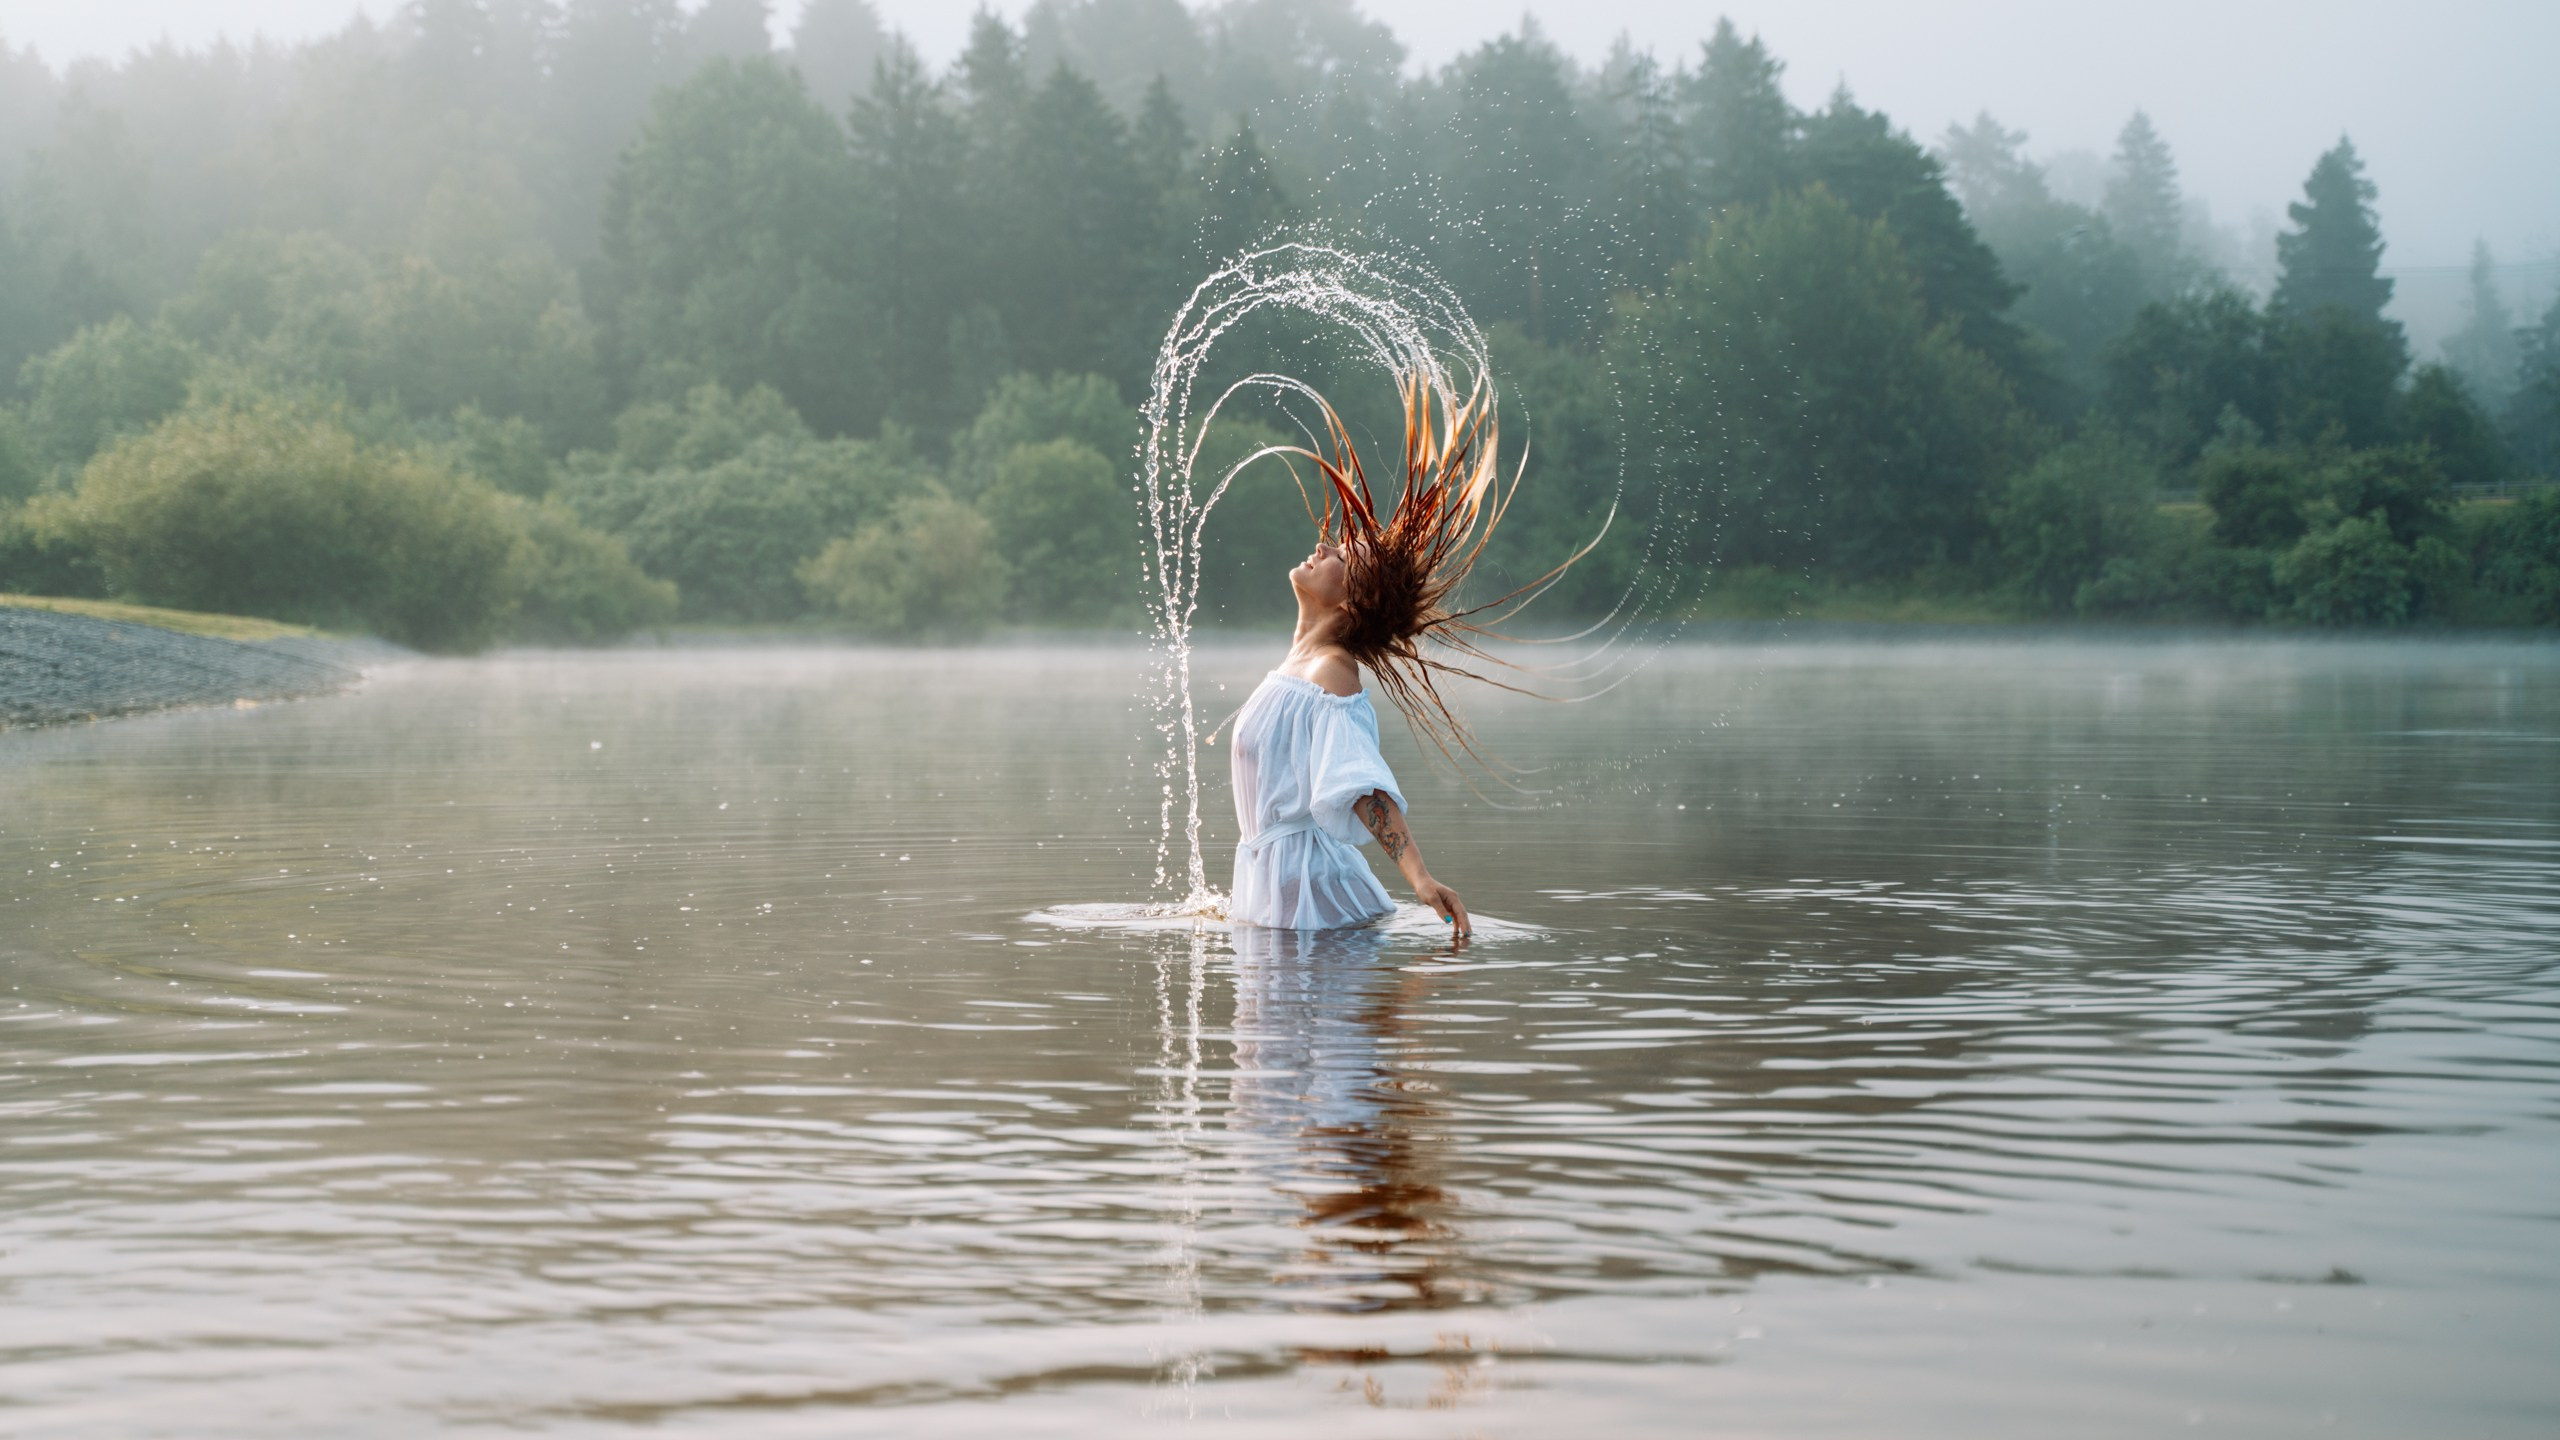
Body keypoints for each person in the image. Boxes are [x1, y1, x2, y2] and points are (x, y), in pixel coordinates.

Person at [1223, 369, 1586, 936]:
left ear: (1352, 601)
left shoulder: (1333, 672)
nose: (1323, 546)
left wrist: (1420, 879)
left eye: (1342, 555)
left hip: (1313, 900)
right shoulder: (1299, 668)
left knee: (1333, 1025)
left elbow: (1361, 786)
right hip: (1284, 892)